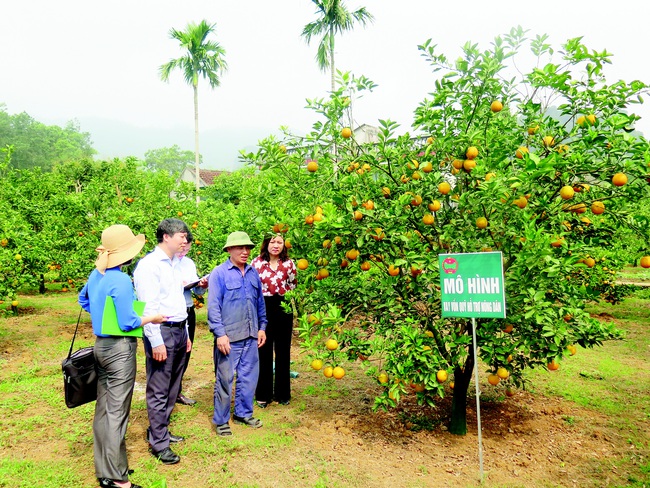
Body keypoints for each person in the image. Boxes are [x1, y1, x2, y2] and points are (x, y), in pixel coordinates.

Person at [79, 224, 165, 488]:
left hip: (100, 346)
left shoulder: (98, 274)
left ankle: (106, 469)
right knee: (117, 412)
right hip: (119, 350)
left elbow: (83, 300)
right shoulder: (121, 280)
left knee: (104, 410)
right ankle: (118, 479)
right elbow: (129, 321)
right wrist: (153, 317)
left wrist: (104, 317)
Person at [133, 218, 191, 465]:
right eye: (181, 236)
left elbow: (178, 301)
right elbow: (149, 307)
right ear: (166, 237)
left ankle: (160, 431)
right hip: (162, 332)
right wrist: (155, 341)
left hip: (178, 330)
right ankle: (159, 444)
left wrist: (186, 332)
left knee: (171, 387)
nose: (185, 240)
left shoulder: (174, 264)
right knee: (158, 388)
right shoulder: (149, 266)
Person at [207, 231, 267, 436]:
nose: (245, 251)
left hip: (251, 335)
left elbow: (260, 302)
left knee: (249, 377)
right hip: (229, 338)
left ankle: (243, 413)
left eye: (248, 248)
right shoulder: (219, 273)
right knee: (224, 379)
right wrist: (220, 334)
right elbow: (213, 307)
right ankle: (222, 420)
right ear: (229, 249)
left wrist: (262, 327)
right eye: (240, 247)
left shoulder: (252, 273)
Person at [251, 233, 297, 408]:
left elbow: (293, 286)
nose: (276, 245)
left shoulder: (289, 264)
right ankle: (263, 394)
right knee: (263, 350)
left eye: (279, 242)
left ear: (284, 245)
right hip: (263, 307)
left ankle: (283, 393)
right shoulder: (256, 263)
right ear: (266, 244)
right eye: (272, 242)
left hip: (283, 307)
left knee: (283, 351)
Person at [175, 232, 208, 406]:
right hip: (172, 311)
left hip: (188, 310)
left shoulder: (189, 263)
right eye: (182, 248)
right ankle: (166, 391)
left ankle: (176, 390)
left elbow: (197, 292)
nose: (184, 252)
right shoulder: (165, 262)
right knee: (170, 353)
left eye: (187, 249)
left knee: (185, 351)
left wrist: (201, 285)